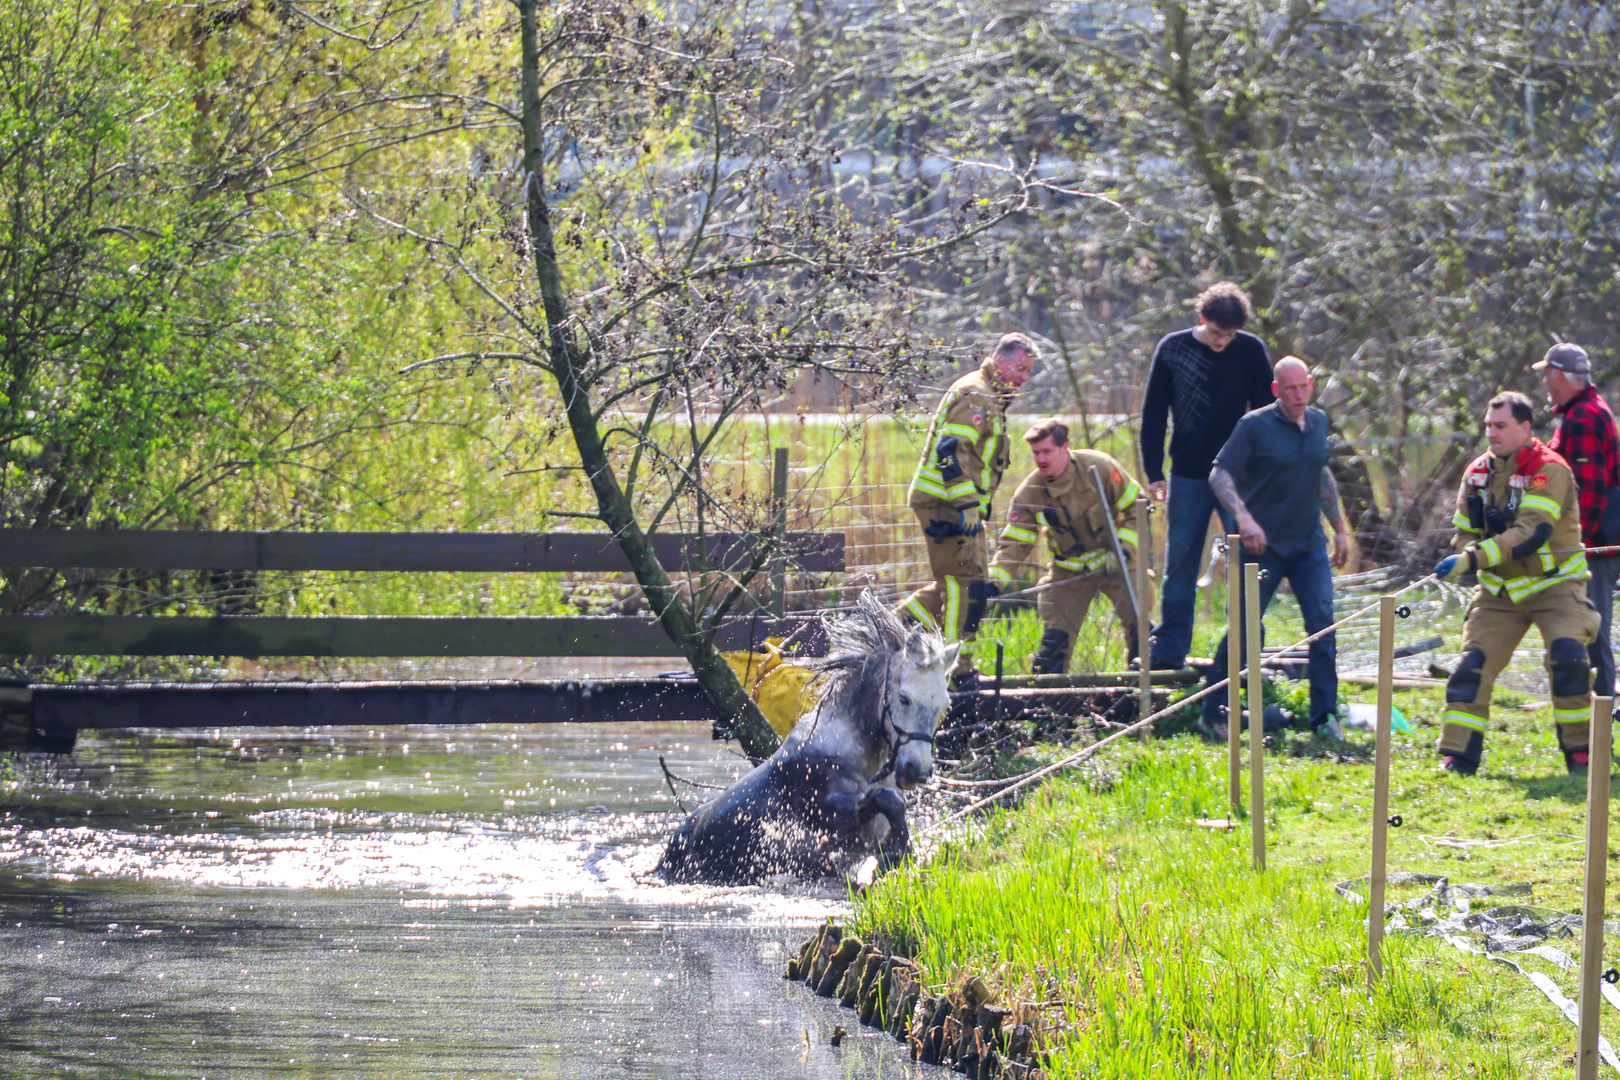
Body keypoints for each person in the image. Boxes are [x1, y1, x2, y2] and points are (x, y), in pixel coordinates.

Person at [1434, 391, 1601, 775]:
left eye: (1500, 425)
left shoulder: (1550, 470)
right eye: (1488, 425)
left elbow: (1530, 534)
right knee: (1470, 668)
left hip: (1555, 586)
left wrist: (1472, 558)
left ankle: (1583, 753)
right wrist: (1466, 548)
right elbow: (1462, 533)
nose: (1491, 433)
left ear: (1525, 428)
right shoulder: (1476, 472)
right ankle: (1458, 755)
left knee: (1568, 659)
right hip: (1500, 592)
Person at [1199, 357, 1353, 738]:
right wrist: (1244, 519)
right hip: (1261, 546)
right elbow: (1219, 473)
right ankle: (1215, 714)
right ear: (1275, 390)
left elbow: (1321, 472)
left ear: (1311, 385)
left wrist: (1340, 528)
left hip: (1308, 546)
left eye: (1303, 387)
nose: (1298, 395)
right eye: (1290, 389)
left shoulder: (1318, 421)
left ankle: (1324, 719)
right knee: (1247, 629)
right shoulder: (1254, 426)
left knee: (1322, 626)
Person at [1139, 282, 1275, 670]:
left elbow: (1266, 413)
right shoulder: (1173, 349)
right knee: (1180, 562)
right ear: (1203, 320)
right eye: (1217, 333)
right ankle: (1169, 648)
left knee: (1249, 561)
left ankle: (1247, 646)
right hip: (1189, 475)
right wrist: (1154, 471)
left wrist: (1265, 471)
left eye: (1229, 335)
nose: (1222, 342)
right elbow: (1153, 415)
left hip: (1239, 477)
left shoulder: (1250, 350)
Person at [901, 333, 1037, 686]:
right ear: (1001, 360)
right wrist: (965, 505)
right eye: (1020, 368)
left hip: (959, 508)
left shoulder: (991, 396)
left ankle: (891, 628)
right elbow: (950, 453)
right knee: (965, 588)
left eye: (1028, 372)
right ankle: (956, 672)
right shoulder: (978, 395)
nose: (1023, 377)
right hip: (946, 506)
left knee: (958, 583)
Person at [987, 418, 1154, 672]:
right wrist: (993, 582)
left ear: (1064, 447)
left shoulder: (1099, 466)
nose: (1040, 459)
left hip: (1116, 562)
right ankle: (1049, 705)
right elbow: (1015, 544)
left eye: (1047, 452)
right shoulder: (1030, 492)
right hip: (1069, 571)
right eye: (1035, 453)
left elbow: (1138, 507)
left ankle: (1143, 691)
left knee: (1142, 632)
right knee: (1054, 646)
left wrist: (1124, 548)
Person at [1538, 343, 1620, 701]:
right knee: (1589, 625)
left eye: (1546, 373)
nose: (1544, 381)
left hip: (1594, 545)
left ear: (1558, 375)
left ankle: (1603, 709)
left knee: (1593, 626)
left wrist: (1573, 546)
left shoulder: (1584, 417)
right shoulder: (1582, 413)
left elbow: (1589, 489)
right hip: (1594, 541)